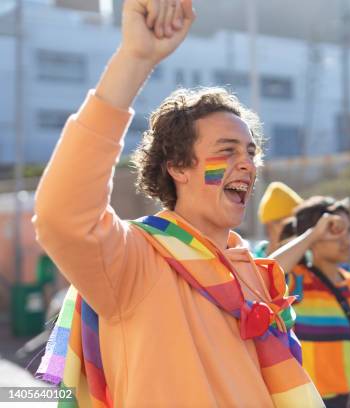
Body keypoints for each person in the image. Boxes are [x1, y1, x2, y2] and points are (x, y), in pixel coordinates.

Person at [32, 0, 322, 406]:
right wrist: (134, 59)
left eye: (251, 152)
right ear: (178, 167)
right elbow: (62, 215)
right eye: (228, 150)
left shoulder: (255, 273)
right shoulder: (134, 261)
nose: (247, 164)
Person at [271, 196, 350, 408]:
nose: (346, 240)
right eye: (335, 230)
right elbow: (266, 272)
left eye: (348, 230)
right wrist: (313, 233)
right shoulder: (297, 283)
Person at [253, 181, 303, 257]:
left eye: (297, 221)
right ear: (269, 225)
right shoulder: (253, 262)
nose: (294, 227)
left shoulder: (306, 257)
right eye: (289, 222)